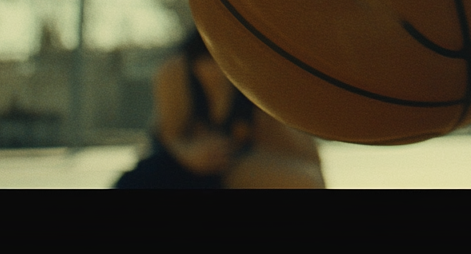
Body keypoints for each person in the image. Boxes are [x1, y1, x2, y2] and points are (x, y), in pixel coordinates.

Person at [116, 29, 325, 188]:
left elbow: (305, 159)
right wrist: (190, 154)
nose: (214, 77)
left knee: (304, 180)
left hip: (231, 165)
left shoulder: (256, 76)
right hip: (177, 165)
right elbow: (169, 137)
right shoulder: (175, 71)